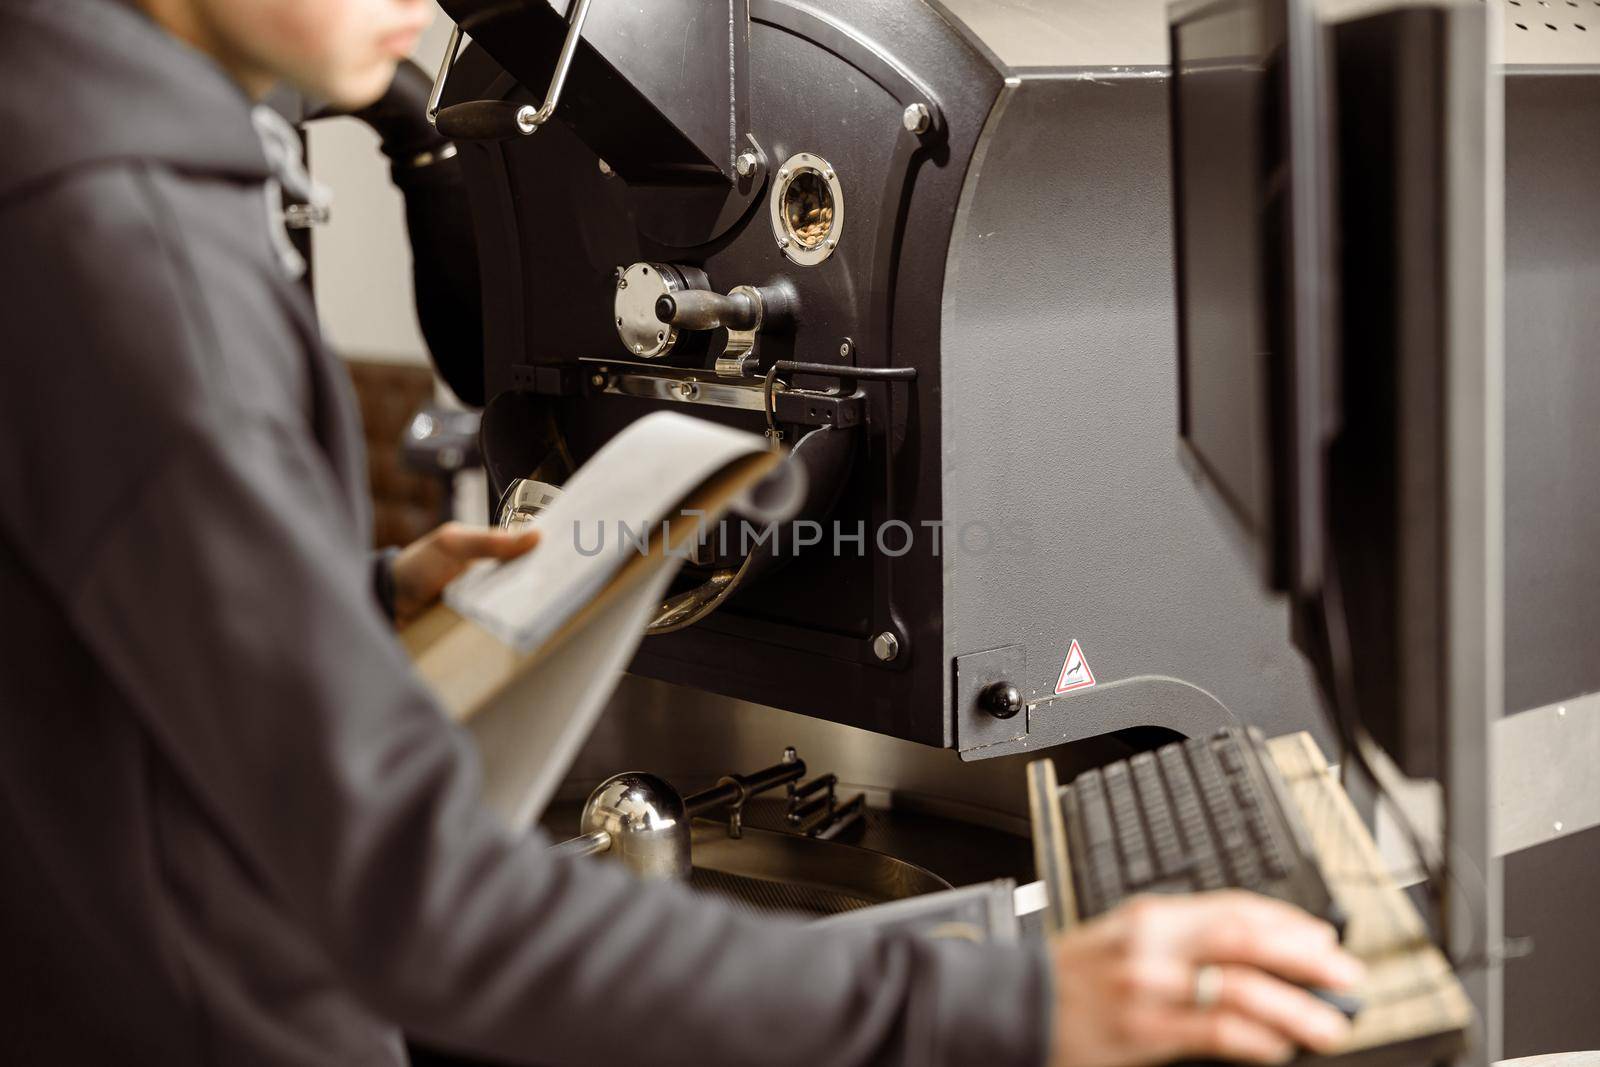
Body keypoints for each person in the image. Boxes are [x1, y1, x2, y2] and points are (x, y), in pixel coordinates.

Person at [0, 0, 1364, 1064]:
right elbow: (417, 902)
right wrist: (1012, 1006)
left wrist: (347, 599)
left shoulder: (77, 187)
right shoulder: (138, 259)